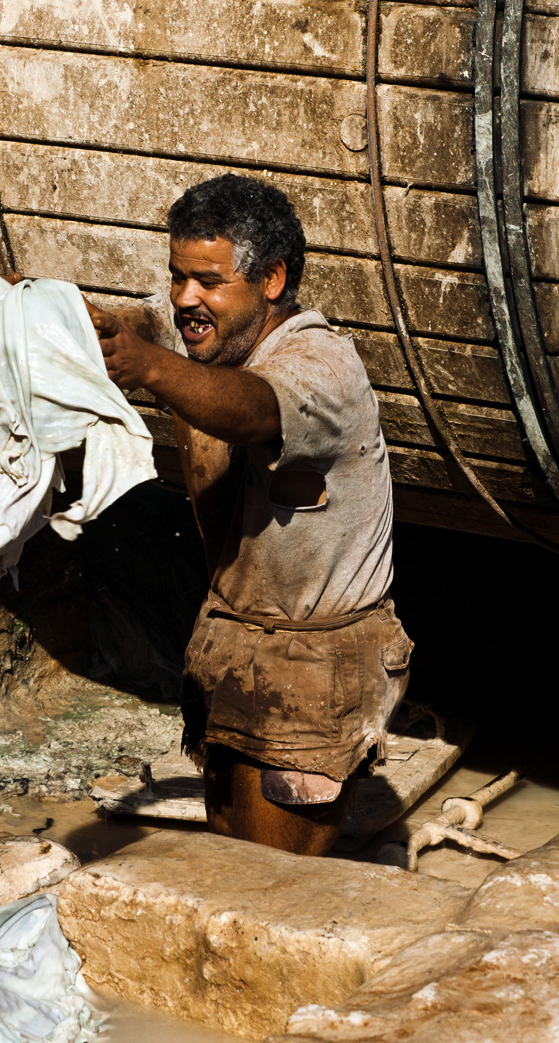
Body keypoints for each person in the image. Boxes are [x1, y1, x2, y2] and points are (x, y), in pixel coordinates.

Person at [88, 174, 412, 856]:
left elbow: (253, 409)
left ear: (271, 280)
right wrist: (43, 310)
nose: (185, 299)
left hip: (314, 665)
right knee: (231, 861)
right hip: (232, 643)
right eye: (178, 277)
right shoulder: (208, 333)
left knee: (267, 888)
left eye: (207, 281)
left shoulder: (320, 365)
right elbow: (140, 322)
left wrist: (146, 366)